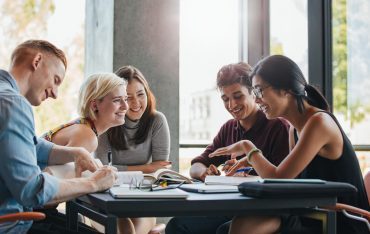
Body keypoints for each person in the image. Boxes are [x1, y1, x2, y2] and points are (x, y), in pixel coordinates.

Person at [209, 55, 370, 234]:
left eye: (260, 91)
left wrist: (249, 148)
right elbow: (286, 183)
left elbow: (277, 179)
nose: (257, 100)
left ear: (285, 89)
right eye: (255, 93)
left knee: (243, 227)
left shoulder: (319, 122)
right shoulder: (294, 129)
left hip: (340, 222)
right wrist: (252, 161)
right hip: (313, 214)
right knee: (231, 228)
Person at [0, 40, 117, 234]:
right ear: (37, 61)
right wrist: (93, 183)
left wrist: (75, 153)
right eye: (56, 80)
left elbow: (30, 145)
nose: (55, 94)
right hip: (11, 224)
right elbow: (32, 191)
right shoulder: (13, 104)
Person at [166, 62, 290, 234]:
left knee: (224, 231)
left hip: (265, 210)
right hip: (233, 207)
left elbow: (283, 182)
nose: (231, 105)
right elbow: (197, 164)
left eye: (238, 96)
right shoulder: (229, 128)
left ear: (254, 93)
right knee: (176, 225)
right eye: (225, 99)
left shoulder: (278, 127)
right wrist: (203, 172)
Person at [95, 65, 170, 234]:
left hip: (141, 198)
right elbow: (101, 171)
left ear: (147, 93)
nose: (136, 103)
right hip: (110, 198)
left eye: (141, 94)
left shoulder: (156, 120)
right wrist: (146, 168)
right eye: (128, 98)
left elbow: (161, 169)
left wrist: (124, 171)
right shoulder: (106, 122)